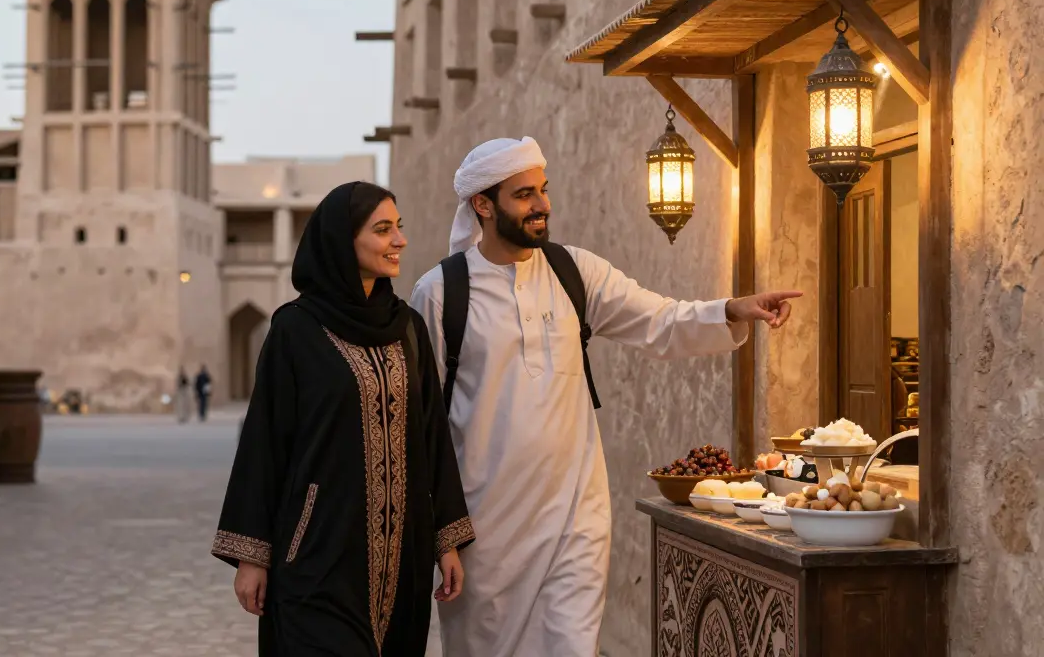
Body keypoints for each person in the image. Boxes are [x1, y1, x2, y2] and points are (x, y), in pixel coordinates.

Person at [408, 137, 802, 657]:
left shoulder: (574, 271)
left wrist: (732, 309)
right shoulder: (440, 293)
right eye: (524, 194)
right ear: (483, 204)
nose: (542, 204)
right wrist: (442, 532)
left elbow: (659, 321)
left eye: (543, 191)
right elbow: (422, 426)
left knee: (572, 647)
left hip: (575, 519)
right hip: (486, 533)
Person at [213, 181, 474, 656]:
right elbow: (263, 445)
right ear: (341, 240)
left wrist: (446, 540)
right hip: (318, 555)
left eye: (399, 228)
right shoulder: (295, 329)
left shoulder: (408, 329)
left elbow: (433, 438)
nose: (400, 240)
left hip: (402, 561)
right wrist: (252, 556)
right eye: (382, 229)